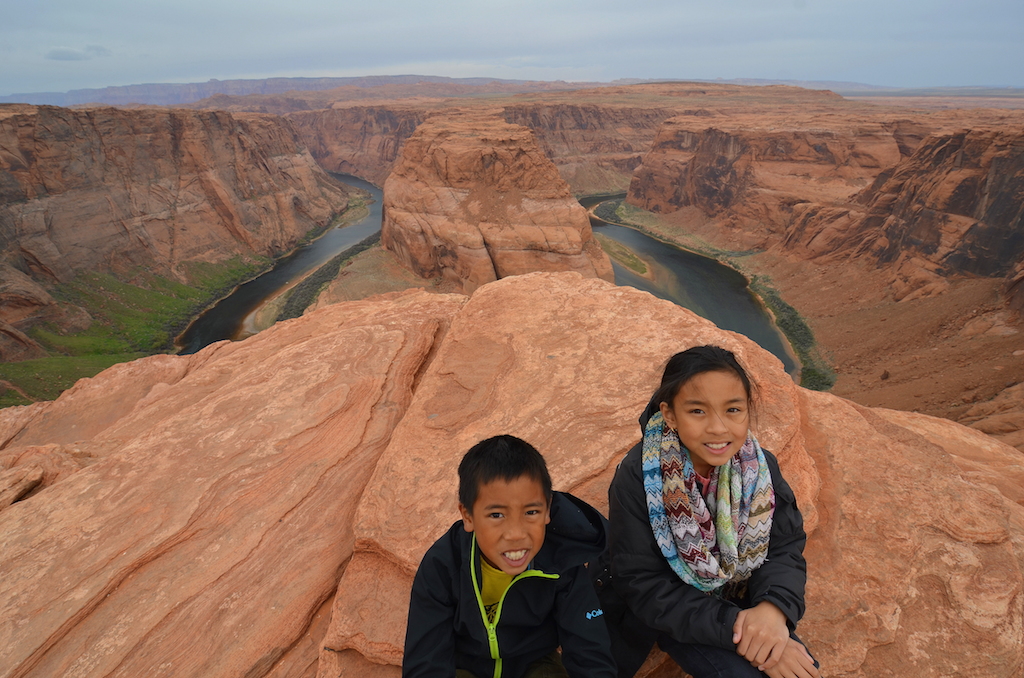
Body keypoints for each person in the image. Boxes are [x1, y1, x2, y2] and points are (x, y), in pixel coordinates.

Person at [603, 345, 820, 678]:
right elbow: (644, 585)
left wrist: (773, 610)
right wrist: (741, 627)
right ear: (671, 414)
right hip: (680, 611)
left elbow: (783, 547)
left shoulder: (758, 469)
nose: (719, 428)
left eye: (733, 410)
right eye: (698, 411)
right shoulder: (640, 478)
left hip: (743, 594)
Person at [403, 434, 617, 678]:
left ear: (547, 509)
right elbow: (425, 664)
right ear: (468, 516)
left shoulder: (561, 562)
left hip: (533, 665)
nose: (516, 534)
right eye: (496, 515)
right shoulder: (443, 565)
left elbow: (591, 654)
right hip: (465, 667)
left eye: (531, 512)